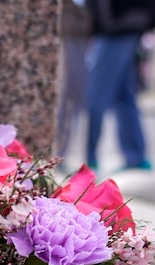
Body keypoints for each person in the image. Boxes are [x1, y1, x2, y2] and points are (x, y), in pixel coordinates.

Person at [84, 0, 155, 172]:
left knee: (98, 94)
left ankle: (90, 159)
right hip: (126, 26)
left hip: (115, 27)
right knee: (124, 96)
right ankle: (135, 156)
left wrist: (103, 23)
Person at [54, 0, 92, 170]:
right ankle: (58, 153)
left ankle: (61, 153)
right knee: (67, 98)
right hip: (70, 31)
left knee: (74, 99)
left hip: (82, 32)